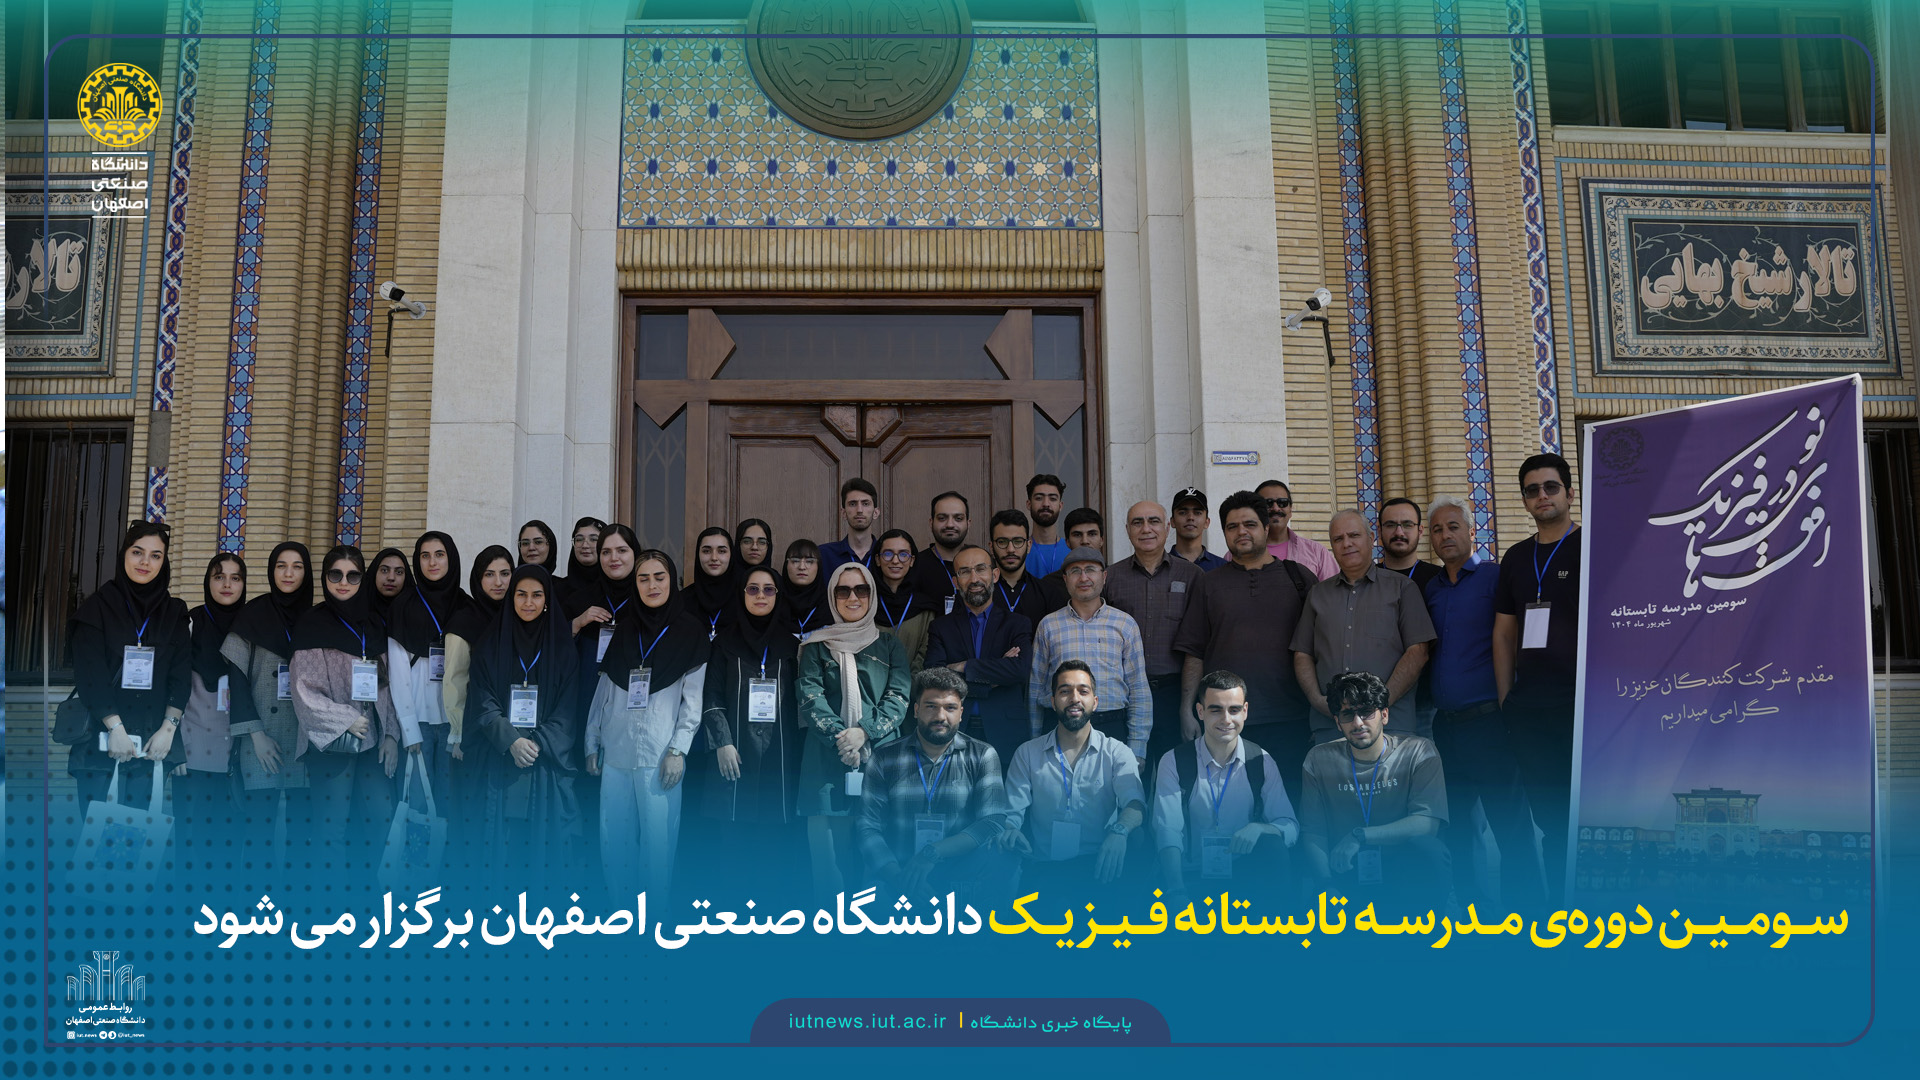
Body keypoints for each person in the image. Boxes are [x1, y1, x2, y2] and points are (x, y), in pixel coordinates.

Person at [1424, 495, 1537, 910]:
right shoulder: (1431, 589)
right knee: (1457, 827)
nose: (1445, 535)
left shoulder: (1495, 578)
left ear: (1472, 531)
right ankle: (1473, 912)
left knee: (1511, 826)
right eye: (1437, 529)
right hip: (1446, 727)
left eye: (1453, 527)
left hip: (1491, 724)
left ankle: (1528, 916)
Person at [1173, 491, 1315, 804]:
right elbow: (1195, 652)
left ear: (1266, 527)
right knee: (1229, 810)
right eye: (1232, 526)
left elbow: (1320, 647)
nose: (1241, 532)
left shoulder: (1299, 578)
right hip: (1225, 721)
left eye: (1250, 524)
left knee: (1287, 808)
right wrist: (1186, 709)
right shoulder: (1208, 583)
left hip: (1290, 718)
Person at [586, 550, 708, 903]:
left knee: (658, 844)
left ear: (673, 581)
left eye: (659, 577)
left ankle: (653, 919)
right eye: (643, 579)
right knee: (613, 839)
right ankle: (621, 914)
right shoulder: (626, 629)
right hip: (615, 751)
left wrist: (678, 750)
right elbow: (604, 691)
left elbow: (693, 701)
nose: (652, 585)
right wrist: (591, 741)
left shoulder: (690, 631)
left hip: (660, 754)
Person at [1493, 452, 1582, 905]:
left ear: (1570, 492)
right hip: (1529, 712)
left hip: (1581, 709)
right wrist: (1507, 699)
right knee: (1549, 820)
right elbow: (1504, 633)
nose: (1541, 496)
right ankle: (1559, 914)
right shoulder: (1515, 557)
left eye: (1550, 487)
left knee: (1582, 817)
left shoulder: (1593, 547)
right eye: (1532, 490)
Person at [797, 562, 911, 902]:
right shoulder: (816, 645)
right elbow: (810, 697)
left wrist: (863, 732)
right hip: (825, 760)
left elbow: (899, 697)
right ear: (832, 597)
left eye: (861, 589)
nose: (852, 597)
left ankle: (876, 927)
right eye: (842, 590)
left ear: (872, 595)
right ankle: (831, 928)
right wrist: (843, 739)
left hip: (879, 760)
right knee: (828, 863)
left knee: (879, 855)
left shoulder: (889, 645)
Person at [1299, 671, 1451, 913]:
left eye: (1367, 712)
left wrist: (1360, 836)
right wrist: (1326, 885)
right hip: (1346, 871)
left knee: (1429, 850)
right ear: (1337, 722)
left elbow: (1427, 824)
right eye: (1348, 714)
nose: (1358, 723)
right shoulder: (1318, 759)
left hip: (1404, 871)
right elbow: (1313, 832)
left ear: (1384, 715)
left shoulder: (1418, 752)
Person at [66, 523, 191, 813]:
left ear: (164, 561)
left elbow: (181, 676)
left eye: (156, 555)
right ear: (124, 554)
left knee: (140, 835)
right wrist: (115, 728)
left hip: (151, 745)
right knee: (97, 834)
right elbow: (90, 675)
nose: (145, 562)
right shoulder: (97, 609)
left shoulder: (174, 613)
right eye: (137, 552)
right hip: (101, 744)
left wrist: (168, 730)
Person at [855, 667, 1013, 896]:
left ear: (961, 713)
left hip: (961, 881)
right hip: (898, 877)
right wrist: (901, 879)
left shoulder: (982, 755)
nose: (940, 716)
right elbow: (868, 827)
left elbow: (992, 821)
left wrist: (932, 852)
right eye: (931, 706)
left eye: (950, 708)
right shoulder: (884, 758)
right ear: (916, 710)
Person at [470, 564, 584, 884]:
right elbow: (481, 698)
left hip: (543, 762)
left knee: (540, 856)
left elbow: (567, 709)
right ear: (511, 598)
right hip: (499, 758)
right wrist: (511, 740)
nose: (529, 602)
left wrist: (534, 743)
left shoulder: (562, 649)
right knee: (499, 855)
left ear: (547, 601)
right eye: (521, 594)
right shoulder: (491, 645)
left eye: (537, 595)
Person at [291, 545, 401, 872]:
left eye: (353, 576)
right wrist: (346, 719)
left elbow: (386, 686)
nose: (343, 582)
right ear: (324, 578)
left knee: (383, 817)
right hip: (332, 742)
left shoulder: (374, 624)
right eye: (335, 574)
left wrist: (391, 735)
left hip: (372, 741)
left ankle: (372, 893)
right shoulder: (312, 623)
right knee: (331, 829)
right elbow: (303, 689)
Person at [1152, 669, 1297, 910]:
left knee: (1273, 846)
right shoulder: (1174, 760)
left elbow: (1290, 826)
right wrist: (1177, 890)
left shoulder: (1261, 760)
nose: (1226, 719)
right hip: (1192, 876)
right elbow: (1168, 831)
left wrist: (1260, 828)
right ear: (1200, 712)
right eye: (1216, 710)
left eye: (1234, 710)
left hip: (1244, 873)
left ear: (1245, 711)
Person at [696, 566, 805, 884]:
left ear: (778, 596)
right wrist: (722, 742)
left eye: (769, 589)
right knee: (733, 851)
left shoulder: (792, 647)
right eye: (753, 589)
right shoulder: (724, 642)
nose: (761, 595)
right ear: (741, 594)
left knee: (774, 851)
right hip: (734, 756)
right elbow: (712, 694)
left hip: (779, 760)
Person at [999, 661, 1145, 895]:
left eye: (1083, 691)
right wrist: (1010, 830)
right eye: (1065, 691)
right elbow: (1011, 814)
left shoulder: (1117, 752)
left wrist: (1119, 831)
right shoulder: (1027, 753)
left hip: (1099, 868)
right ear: (1053, 701)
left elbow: (1135, 804)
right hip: (1044, 869)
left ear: (1095, 702)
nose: (1074, 698)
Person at [1291, 509, 1436, 739]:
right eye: (1338, 539)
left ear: (1371, 538)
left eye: (1354, 535)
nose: (1346, 543)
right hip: (1330, 726)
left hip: (1390, 726)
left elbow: (1418, 652)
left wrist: (1379, 704)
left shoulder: (1402, 588)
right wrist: (1317, 700)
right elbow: (1302, 654)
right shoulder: (1317, 594)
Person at [223, 541, 314, 866]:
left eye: (297, 567)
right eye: (281, 566)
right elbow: (237, 681)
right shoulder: (252, 615)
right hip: (261, 739)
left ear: (306, 573)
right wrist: (256, 735)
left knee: (301, 834)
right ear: (271, 570)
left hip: (304, 739)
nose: (288, 573)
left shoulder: (316, 618)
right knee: (259, 833)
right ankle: (256, 897)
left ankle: (296, 897)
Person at [1026, 547, 1151, 763]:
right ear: (1065, 579)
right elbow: (1036, 687)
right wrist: (1035, 741)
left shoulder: (1125, 624)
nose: (1083, 578)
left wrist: (1137, 749)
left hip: (1111, 726)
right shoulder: (1048, 625)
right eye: (1075, 571)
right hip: (1059, 725)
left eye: (1090, 570)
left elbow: (1138, 689)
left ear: (1104, 576)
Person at [1104, 500, 1198, 769]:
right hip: (1125, 698)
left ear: (1167, 528)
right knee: (1129, 776)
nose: (1146, 529)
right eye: (1137, 522)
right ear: (1127, 530)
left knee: (1178, 777)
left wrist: (1189, 706)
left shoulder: (1192, 576)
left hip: (1174, 695)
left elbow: (1199, 644)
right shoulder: (1111, 577)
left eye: (1154, 521)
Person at [923, 544, 1034, 767]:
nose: (974, 579)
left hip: (1006, 732)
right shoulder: (941, 627)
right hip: (954, 731)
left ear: (995, 575)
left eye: (981, 569)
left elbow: (1019, 671)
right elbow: (934, 678)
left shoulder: (1017, 624)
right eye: (965, 572)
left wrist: (964, 667)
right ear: (956, 582)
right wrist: (994, 677)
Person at [387, 531, 470, 820]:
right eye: (425, 556)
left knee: (451, 807)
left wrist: (463, 728)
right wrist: (409, 728)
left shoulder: (466, 605)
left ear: (451, 558)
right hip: (418, 721)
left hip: (454, 725)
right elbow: (397, 671)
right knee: (416, 809)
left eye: (439, 555)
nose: (432, 562)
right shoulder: (403, 606)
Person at [444, 543, 513, 864]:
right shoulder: (465, 620)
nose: (498, 582)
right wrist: (458, 733)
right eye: (489, 574)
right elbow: (454, 681)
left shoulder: (518, 616)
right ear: (477, 578)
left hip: (511, 732)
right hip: (474, 733)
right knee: (475, 816)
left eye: (505, 573)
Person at [175, 553, 245, 867]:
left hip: (237, 756)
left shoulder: (251, 626)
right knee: (191, 849)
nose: (227, 584)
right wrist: (175, 747)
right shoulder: (190, 623)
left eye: (235, 578)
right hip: (193, 754)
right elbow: (171, 685)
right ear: (208, 581)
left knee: (229, 852)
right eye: (219, 577)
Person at [873, 528, 933, 672]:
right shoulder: (866, 603)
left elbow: (925, 653)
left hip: (913, 683)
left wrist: (908, 682)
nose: (895, 561)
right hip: (871, 683)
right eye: (888, 554)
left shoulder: (926, 608)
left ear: (912, 560)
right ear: (878, 560)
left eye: (903, 554)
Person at [904, 491, 971, 615]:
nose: (950, 524)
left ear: (968, 523)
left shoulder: (982, 564)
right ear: (931, 523)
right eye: (942, 518)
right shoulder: (914, 566)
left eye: (958, 518)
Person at [1257, 479, 1338, 579]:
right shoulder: (1241, 553)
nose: (1276, 508)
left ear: (1290, 509)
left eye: (1282, 502)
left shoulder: (1317, 552)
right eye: (1267, 503)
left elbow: (1334, 588)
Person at [987, 508, 1051, 627]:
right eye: (1002, 542)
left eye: (1018, 541)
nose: (1010, 549)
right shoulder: (980, 591)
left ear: (1029, 546)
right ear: (991, 547)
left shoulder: (1047, 593)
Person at [1036, 507, 1105, 615]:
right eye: (1077, 535)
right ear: (1067, 542)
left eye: (1092, 534)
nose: (1085, 541)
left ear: (1101, 540)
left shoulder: (1114, 579)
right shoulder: (1048, 585)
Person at [818, 478, 881, 578]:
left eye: (865, 504)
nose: (859, 510)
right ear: (843, 513)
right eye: (852, 504)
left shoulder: (886, 555)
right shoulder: (823, 554)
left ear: (876, 512)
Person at [687, 526, 739, 642]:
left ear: (731, 554)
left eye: (722, 551)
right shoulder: (682, 600)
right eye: (706, 551)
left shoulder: (745, 598)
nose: (714, 557)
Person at [1378, 497, 1441, 588]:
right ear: (1379, 532)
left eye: (1407, 525)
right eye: (1390, 525)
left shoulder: (1440, 579)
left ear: (1420, 531)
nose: (1399, 532)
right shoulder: (1365, 581)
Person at [1022, 473, 1070, 579]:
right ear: (1029, 504)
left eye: (1052, 499)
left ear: (1060, 506)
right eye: (1039, 498)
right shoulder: (1019, 550)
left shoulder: (1071, 550)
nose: (1046, 504)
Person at [780, 538, 830, 636]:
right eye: (795, 561)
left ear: (819, 566)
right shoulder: (773, 602)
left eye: (809, 561)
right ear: (786, 565)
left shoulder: (831, 606)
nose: (802, 567)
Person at [1169, 487, 1227, 571]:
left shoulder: (1222, 567)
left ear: (1207, 522)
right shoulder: (1160, 567)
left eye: (1197, 513)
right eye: (1183, 512)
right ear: (1172, 521)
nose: (1190, 517)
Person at [559, 516, 606, 614]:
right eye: (579, 539)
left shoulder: (614, 589)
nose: (585, 545)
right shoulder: (558, 589)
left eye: (593, 539)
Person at [368, 546, 412, 632]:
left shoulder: (417, 613)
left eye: (399, 572)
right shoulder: (358, 610)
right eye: (384, 570)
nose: (391, 578)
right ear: (374, 573)